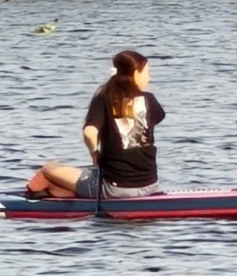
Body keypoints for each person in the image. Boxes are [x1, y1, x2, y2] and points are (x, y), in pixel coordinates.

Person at [27, 50, 165, 199]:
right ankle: (58, 192)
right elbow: (154, 119)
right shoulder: (149, 100)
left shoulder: (104, 97)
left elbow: (89, 133)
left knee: (48, 168)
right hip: (150, 185)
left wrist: (95, 154)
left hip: (114, 189)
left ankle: (43, 195)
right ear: (136, 74)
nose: (149, 78)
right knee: (87, 173)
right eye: (147, 73)